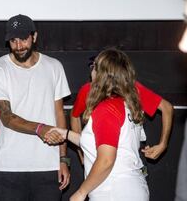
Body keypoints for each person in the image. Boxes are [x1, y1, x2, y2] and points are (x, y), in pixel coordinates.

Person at [51, 48, 159, 200]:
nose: (91, 71)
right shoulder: (125, 103)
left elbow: (106, 159)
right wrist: (66, 134)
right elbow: (98, 143)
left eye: (94, 66)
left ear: (102, 74)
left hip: (114, 190)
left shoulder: (107, 109)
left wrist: (81, 192)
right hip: (130, 187)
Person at [0, 14, 70, 201]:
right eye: (13, 40)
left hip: (48, 166)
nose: (19, 45)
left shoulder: (54, 66)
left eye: (23, 39)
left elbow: (59, 114)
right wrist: (41, 128)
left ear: (34, 37)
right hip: (8, 167)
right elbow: (6, 117)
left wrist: (63, 159)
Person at [70, 55, 173, 163]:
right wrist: (81, 149)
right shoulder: (87, 90)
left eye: (95, 67)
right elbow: (74, 115)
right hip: (96, 155)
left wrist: (163, 144)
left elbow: (167, 108)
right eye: (92, 66)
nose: (92, 71)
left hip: (126, 158)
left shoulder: (132, 89)